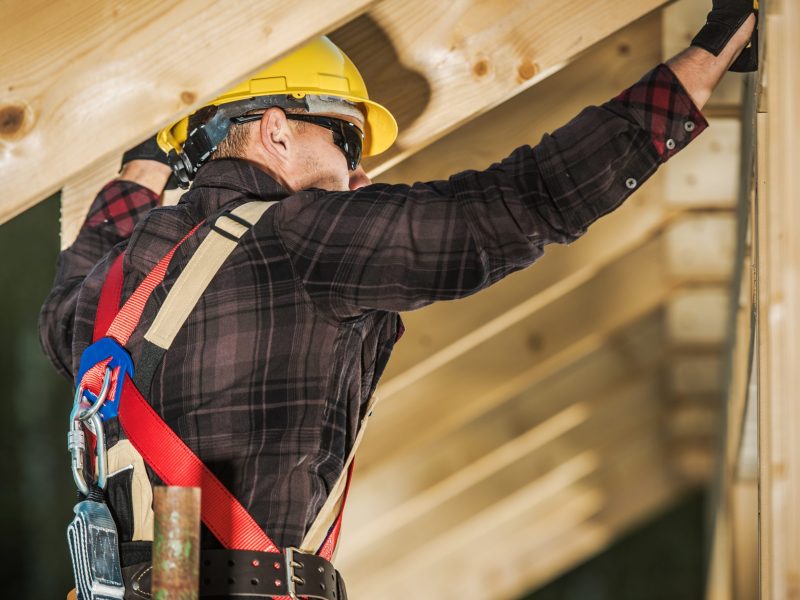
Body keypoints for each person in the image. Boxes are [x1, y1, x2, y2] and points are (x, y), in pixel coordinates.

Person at [40, 2, 757, 598]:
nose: (357, 175)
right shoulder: (299, 239)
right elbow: (520, 202)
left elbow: (85, 266)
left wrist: (147, 159)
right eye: (346, 144)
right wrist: (707, 56)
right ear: (277, 130)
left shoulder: (103, 293)